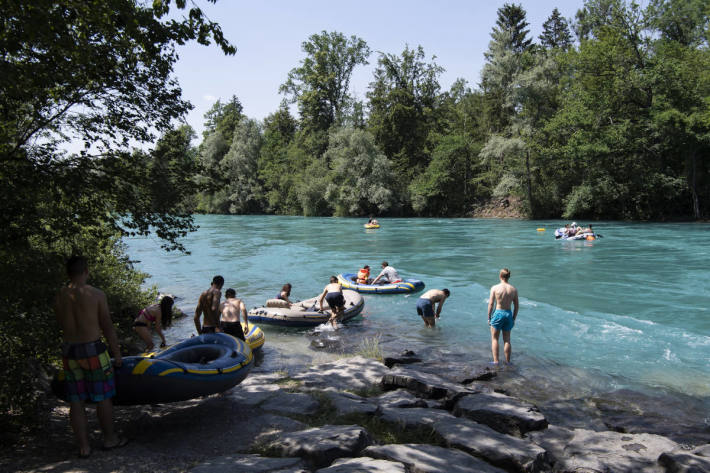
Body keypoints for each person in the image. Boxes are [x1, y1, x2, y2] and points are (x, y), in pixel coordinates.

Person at [54, 256, 128, 457]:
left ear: (67, 273)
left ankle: (84, 447)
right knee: (102, 397)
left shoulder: (60, 295)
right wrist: (118, 354)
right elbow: (107, 326)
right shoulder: (95, 294)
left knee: (75, 400)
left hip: (69, 352)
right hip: (93, 350)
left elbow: (62, 324)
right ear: (86, 271)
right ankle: (110, 439)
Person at [487, 268, 519, 365]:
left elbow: (491, 304)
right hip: (508, 313)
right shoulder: (513, 289)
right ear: (508, 277)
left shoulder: (495, 288)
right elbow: (516, 306)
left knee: (495, 338)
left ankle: (496, 361)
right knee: (507, 339)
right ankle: (508, 362)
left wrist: (489, 317)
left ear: (500, 276)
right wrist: (513, 318)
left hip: (498, 313)